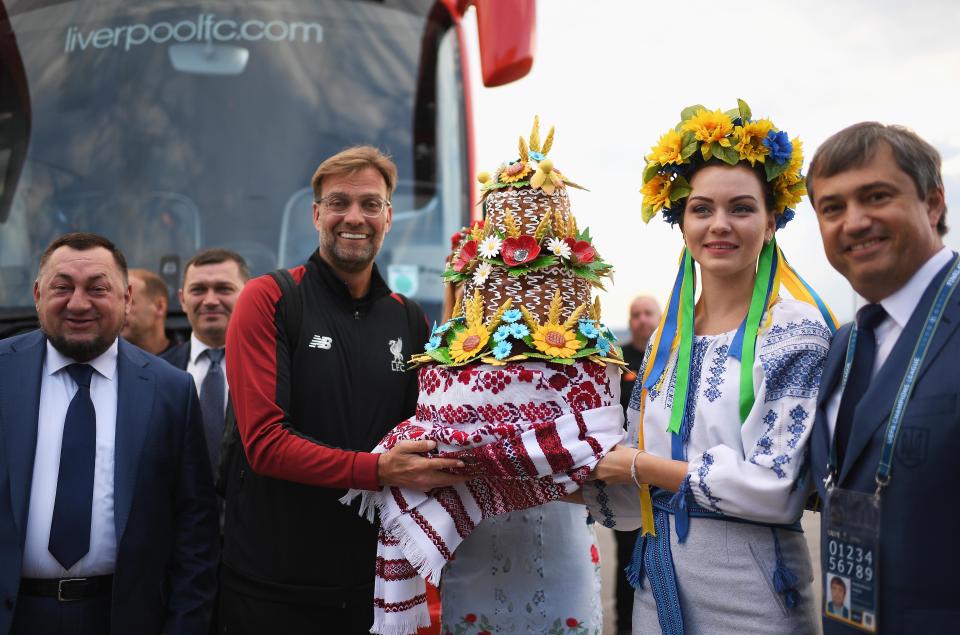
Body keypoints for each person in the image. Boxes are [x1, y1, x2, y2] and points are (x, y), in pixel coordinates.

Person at [345, 119, 624, 635]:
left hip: (559, 548)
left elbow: (605, 464)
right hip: (475, 553)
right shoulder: (446, 365)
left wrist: (529, 462)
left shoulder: (587, 367)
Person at [579, 101, 837, 634]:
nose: (719, 225)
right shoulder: (665, 343)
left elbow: (778, 486)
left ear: (771, 223)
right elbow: (626, 486)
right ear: (682, 223)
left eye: (741, 208)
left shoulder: (794, 331)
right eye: (702, 209)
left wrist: (638, 467)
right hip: (658, 581)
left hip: (753, 592)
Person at [220, 146, 465, 634]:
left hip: (374, 592)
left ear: (388, 217)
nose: (354, 217)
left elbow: (430, 430)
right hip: (274, 592)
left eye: (370, 204)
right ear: (317, 214)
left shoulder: (408, 317)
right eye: (338, 203)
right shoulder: (269, 298)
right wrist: (376, 470)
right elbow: (265, 445)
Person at [0, 232, 219, 634]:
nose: (78, 303)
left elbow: (195, 531)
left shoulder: (171, 391)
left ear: (127, 299)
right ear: (36, 294)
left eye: (97, 288)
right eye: (61, 287)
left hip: (124, 619)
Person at [808, 122, 958, 634]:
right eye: (832, 208)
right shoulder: (844, 345)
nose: (853, 222)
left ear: (933, 204)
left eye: (876, 196)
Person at [162, 248, 249, 479]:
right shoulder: (156, 373)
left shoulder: (275, 368)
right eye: (198, 290)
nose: (210, 301)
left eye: (224, 289)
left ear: (248, 294)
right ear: (182, 300)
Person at [614, 295, 660, 634]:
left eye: (648, 314)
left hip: (663, 476)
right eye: (635, 314)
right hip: (625, 478)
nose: (642, 319)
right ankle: (624, 625)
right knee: (627, 558)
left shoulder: (670, 354)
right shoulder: (618, 360)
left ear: (659, 317)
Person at [121, 268, 173, 354]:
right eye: (118, 304)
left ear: (159, 307)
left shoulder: (187, 363)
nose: (119, 311)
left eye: (129, 302)